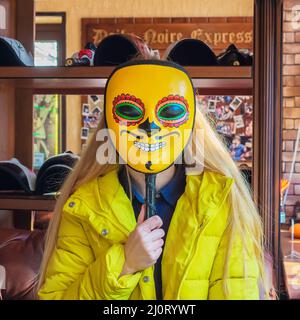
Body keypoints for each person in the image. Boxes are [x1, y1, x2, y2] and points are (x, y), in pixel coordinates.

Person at [37, 59, 270, 300]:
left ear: (190, 121)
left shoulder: (222, 201)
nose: (150, 126)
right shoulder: (84, 207)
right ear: (108, 121)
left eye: (170, 112)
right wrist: (124, 264)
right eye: (129, 111)